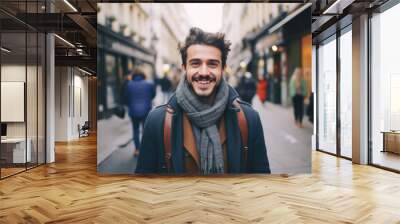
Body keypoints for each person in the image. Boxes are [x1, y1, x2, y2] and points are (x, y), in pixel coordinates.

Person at [136, 27, 270, 174]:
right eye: (195, 63)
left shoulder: (249, 119)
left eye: (212, 64)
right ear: (184, 68)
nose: (204, 73)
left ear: (223, 68)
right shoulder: (157, 121)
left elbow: (261, 183)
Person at [123, 68, 156, 156]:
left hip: (133, 111)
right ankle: (146, 149)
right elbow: (153, 95)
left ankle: (137, 149)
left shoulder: (129, 85)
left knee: (135, 130)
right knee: (145, 130)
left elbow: (125, 97)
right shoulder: (149, 84)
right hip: (146, 110)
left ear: (133, 76)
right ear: (143, 75)